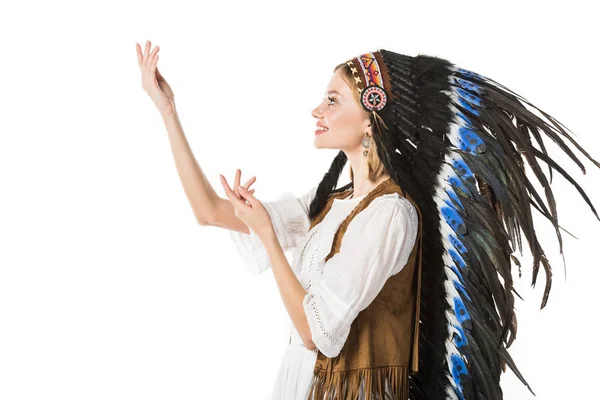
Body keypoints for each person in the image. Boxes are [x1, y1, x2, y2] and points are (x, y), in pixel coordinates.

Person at [136, 41, 600, 399]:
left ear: (370, 120)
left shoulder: (390, 215)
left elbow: (316, 333)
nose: (317, 111)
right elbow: (210, 213)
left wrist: (269, 239)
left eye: (333, 100)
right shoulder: (327, 201)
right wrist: (168, 112)